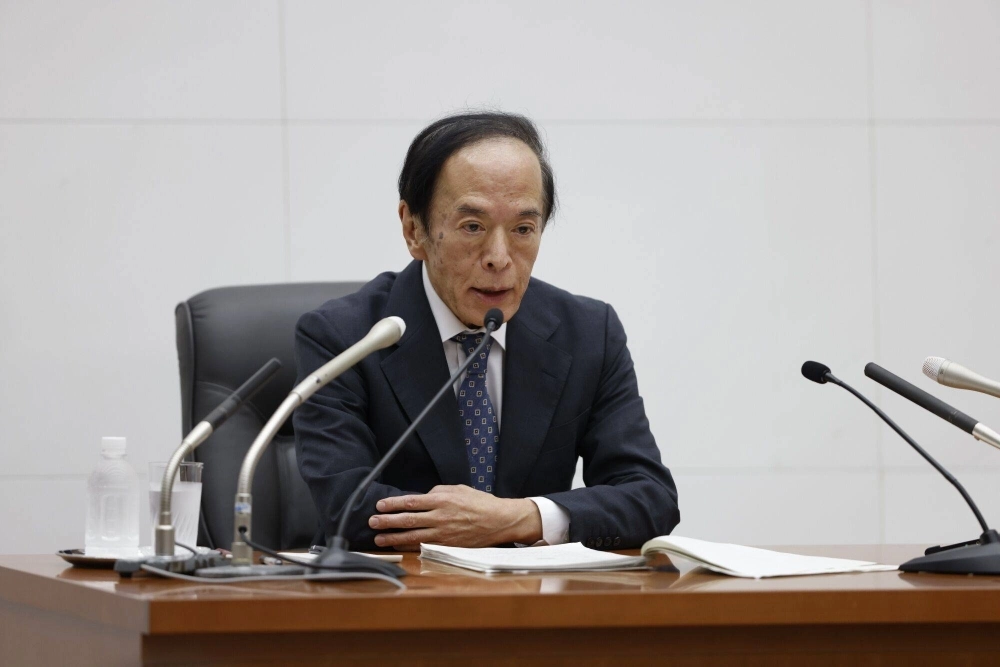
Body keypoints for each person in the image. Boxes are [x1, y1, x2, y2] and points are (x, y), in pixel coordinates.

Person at [293, 111, 679, 551]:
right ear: (413, 228)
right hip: (397, 603)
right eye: (472, 227)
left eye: (522, 229)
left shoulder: (588, 333)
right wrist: (467, 527)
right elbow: (345, 505)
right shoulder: (345, 338)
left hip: (533, 605)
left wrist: (522, 517)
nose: (499, 257)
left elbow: (651, 498)